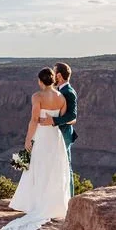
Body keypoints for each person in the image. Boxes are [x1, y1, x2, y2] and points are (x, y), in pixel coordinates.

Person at [0, 67, 72, 230]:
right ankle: (53, 205)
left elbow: (33, 120)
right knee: (54, 170)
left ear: (40, 81)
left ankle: (37, 205)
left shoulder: (37, 97)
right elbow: (62, 120)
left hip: (41, 136)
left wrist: (28, 140)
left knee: (38, 169)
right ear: (53, 80)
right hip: (55, 139)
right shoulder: (61, 97)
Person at [39, 62, 77, 194]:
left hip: (65, 133)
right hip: (57, 132)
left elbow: (72, 115)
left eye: (54, 73)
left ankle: (70, 199)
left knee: (66, 166)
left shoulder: (68, 92)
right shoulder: (60, 92)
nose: (52, 77)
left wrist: (53, 120)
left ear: (59, 76)